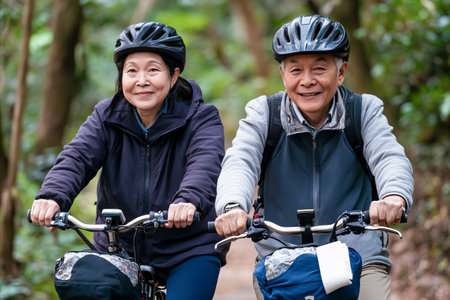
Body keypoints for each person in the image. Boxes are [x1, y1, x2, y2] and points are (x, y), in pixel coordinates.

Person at [214, 15, 414, 300]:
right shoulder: (264, 115)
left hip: (358, 257)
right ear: (283, 76)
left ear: (341, 72)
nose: (307, 81)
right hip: (283, 259)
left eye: (319, 68)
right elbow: (240, 161)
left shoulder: (363, 111)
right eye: (296, 70)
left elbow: (389, 156)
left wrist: (394, 197)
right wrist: (232, 206)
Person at [30, 21, 227, 300]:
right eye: (131, 70)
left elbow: (204, 162)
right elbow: (78, 156)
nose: (141, 80)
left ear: (173, 76)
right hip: (118, 244)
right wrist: (52, 196)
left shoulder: (201, 117)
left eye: (153, 70)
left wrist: (188, 200)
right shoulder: (106, 116)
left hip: (189, 246)